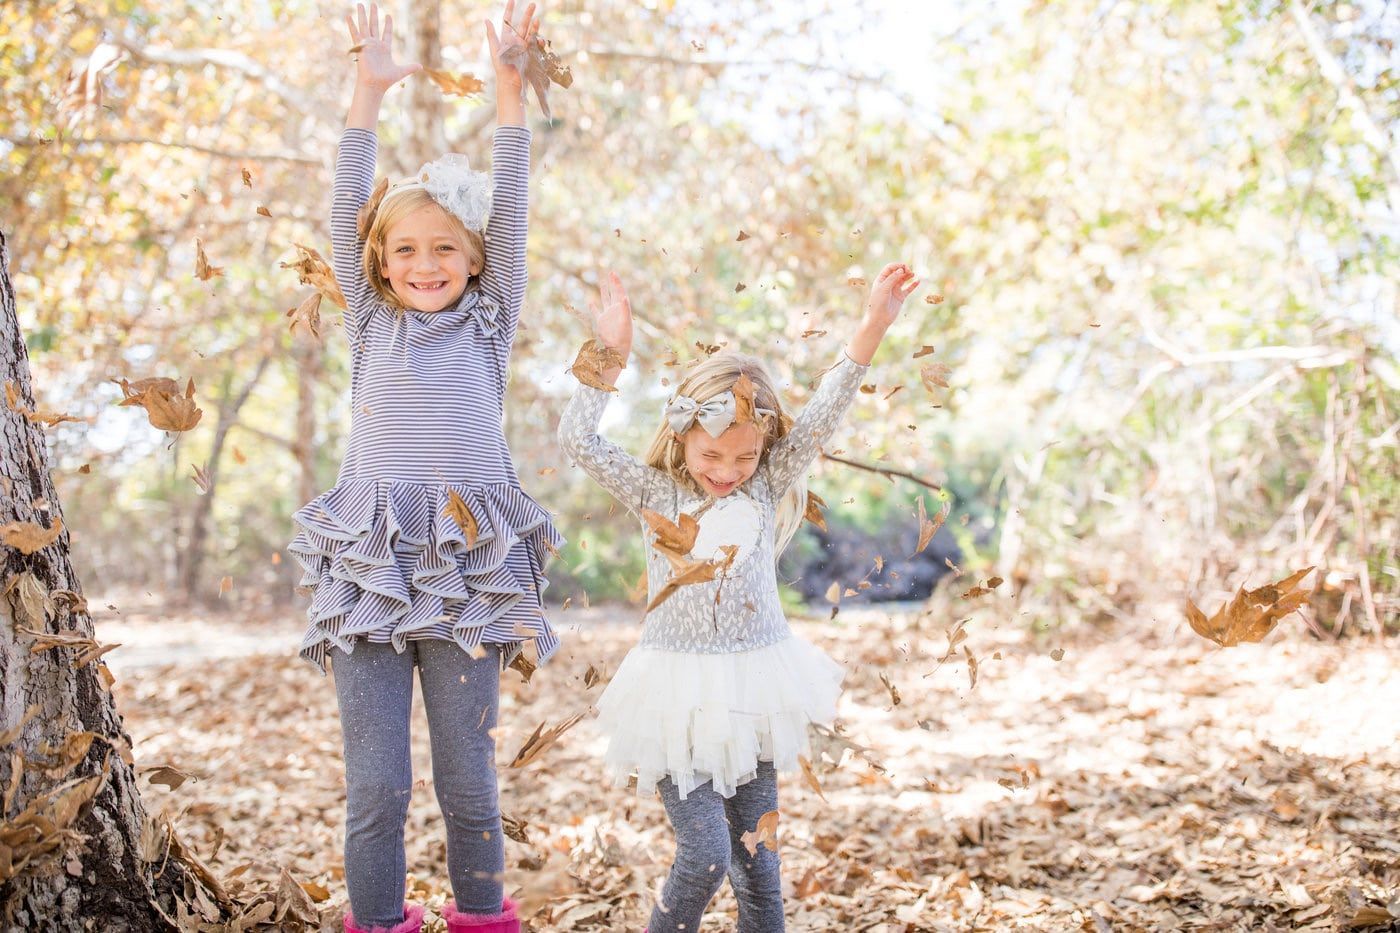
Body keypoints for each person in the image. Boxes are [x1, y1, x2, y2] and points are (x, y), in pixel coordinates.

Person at [286, 4, 557, 930]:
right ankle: (379, 920)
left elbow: (514, 205)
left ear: (477, 260)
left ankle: (483, 917)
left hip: (469, 565)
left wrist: (511, 90)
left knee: (469, 780)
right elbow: (343, 207)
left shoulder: (489, 319)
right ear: (382, 263)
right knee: (378, 787)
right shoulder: (370, 321)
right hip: (370, 563)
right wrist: (366, 92)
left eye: (446, 247)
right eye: (406, 249)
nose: (426, 262)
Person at [557, 264, 921, 931]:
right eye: (711, 457)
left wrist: (872, 325)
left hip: (755, 690)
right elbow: (577, 441)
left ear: (762, 449)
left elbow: (824, 413)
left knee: (760, 858)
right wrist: (610, 354)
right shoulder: (654, 493)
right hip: (675, 700)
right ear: (683, 438)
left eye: (743, 457)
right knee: (704, 852)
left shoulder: (765, 484)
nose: (726, 473)